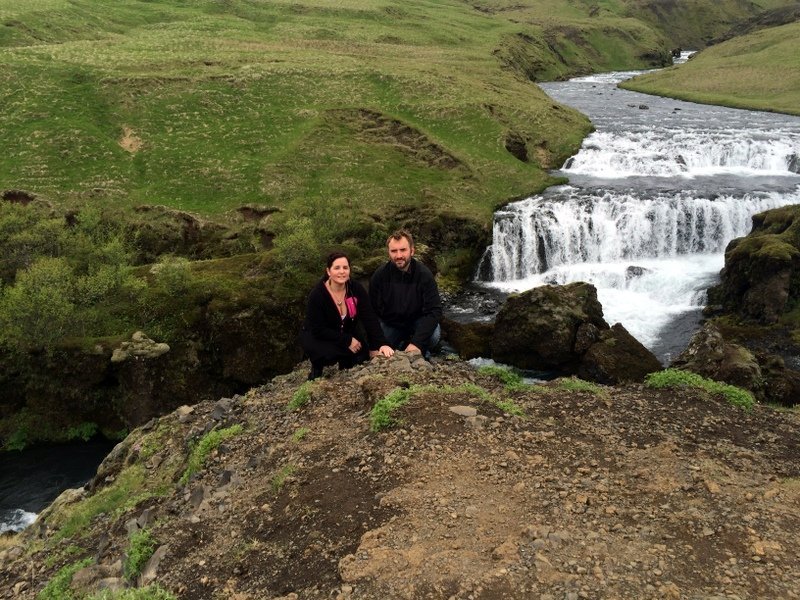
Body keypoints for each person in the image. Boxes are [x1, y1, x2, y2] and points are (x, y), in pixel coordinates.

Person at [301, 252, 394, 380]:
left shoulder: (355, 288)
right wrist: (347, 340)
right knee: (328, 353)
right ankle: (316, 371)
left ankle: (346, 366)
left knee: (362, 352)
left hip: (345, 331)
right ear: (328, 271)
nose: (342, 272)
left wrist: (379, 344)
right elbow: (318, 330)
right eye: (337, 268)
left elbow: (369, 317)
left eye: (345, 268)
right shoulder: (317, 295)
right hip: (319, 336)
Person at [369, 230, 442, 356]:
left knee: (433, 337)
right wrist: (377, 344)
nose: (398, 255)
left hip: (418, 321)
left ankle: (413, 345)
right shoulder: (379, 276)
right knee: (378, 344)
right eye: (394, 251)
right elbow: (371, 311)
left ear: (412, 251)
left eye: (403, 250)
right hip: (392, 323)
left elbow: (434, 310)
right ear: (388, 252)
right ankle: (403, 344)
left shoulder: (424, 275)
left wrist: (417, 342)